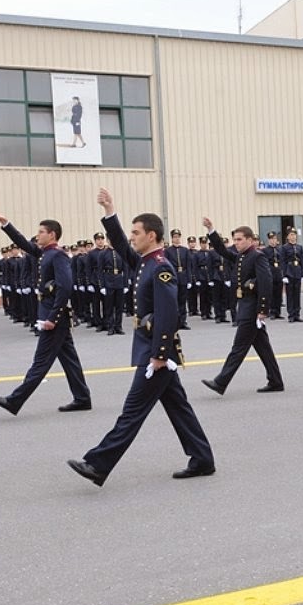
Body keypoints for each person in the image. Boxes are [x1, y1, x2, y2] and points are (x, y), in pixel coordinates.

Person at [67, 188, 214, 485]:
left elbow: (167, 315)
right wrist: (110, 212)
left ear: (152, 235)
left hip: (156, 354)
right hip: (151, 349)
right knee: (178, 407)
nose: (132, 237)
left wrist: (159, 355)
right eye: (131, 232)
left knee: (132, 411)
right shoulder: (145, 262)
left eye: (137, 232)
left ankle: (98, 463)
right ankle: (202, 458)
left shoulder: (161, 268)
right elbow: (121, 245)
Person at [0, 212, 92, 415]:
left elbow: (65, 287)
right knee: (69, 359)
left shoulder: (58, 255)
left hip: (54, 318)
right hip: (51, 314)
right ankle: (82, 398)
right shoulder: (46, 253)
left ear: (52, 235)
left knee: (41, 362)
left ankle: (14, 400)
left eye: (41, 232)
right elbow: (23, 243)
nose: (37, 235)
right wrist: (4, 223)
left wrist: (52, 317)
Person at [200, 216, 284, 395]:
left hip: (251, 308)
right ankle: (276, 381)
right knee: (263, 347)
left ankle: (221, 382)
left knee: (238, 348)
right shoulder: (241, 256)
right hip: (244, 305)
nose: (235, 243)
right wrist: (211, 230)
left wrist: (262, 310)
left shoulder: (257, 257)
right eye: (235, 240)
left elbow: (266, 283)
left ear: (250, 240)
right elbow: (222, 250)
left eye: (239, 240)